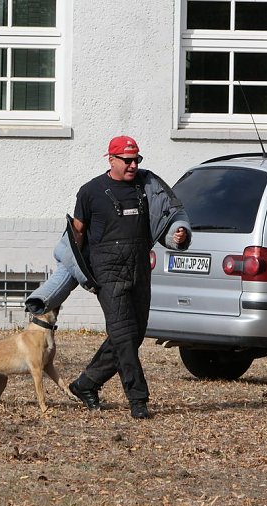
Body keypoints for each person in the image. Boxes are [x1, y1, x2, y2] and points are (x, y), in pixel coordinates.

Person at [26, 135, 191, 419]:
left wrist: (180, 234)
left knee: (133, 334)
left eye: (136, 160)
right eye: (127, 160)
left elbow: (170, 213)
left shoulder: (147, 185)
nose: (133, 165)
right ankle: (138, 400)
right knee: (124, 335)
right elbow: (77, 232)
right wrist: (77, 271)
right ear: (111, 159)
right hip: (108, 272)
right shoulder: (90, 191)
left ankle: (86, 384)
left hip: (140, 267)